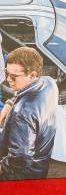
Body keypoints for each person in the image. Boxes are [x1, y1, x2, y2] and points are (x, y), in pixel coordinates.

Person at [0, 47, 58, 180]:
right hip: (40, 166)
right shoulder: (48, 83)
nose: (8, 79)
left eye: (14, 77)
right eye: (6, 73)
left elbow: (20, 159)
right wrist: (8, 105)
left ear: (32, 75)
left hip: (20, 176)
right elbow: (21, 94)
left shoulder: (22, 113)